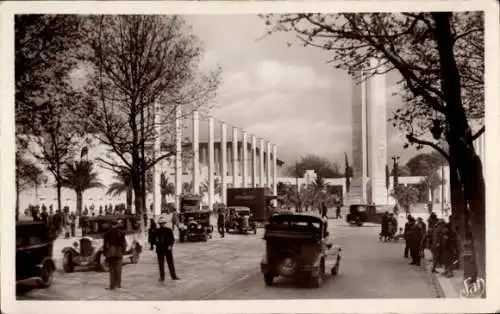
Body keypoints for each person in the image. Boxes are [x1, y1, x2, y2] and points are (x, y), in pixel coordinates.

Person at [103, 220, 126, 290]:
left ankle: (112, 286)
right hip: (118, 252)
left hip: (110, 252)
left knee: (112, 270)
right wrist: (123, 251)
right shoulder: (121, 232)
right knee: (118, 270)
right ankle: (118, 285)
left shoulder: (107, 233)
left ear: (111, 225)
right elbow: (124, 244)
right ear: (116, 225)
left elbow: (105, 245)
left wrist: (105, 253)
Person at [155, 217, 180, 281]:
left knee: (170, 263)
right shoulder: (157, 231)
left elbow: (172, 239)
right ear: (159, 224)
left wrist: (170, 246)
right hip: (160, 249)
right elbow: (154, 239)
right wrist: (156, 245)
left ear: (165, 223)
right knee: (161, 264)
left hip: (167, 248)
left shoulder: (169, 230)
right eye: (161, 223)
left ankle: (173, 276)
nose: (162, 224)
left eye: (163, 223)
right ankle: (162, 277)